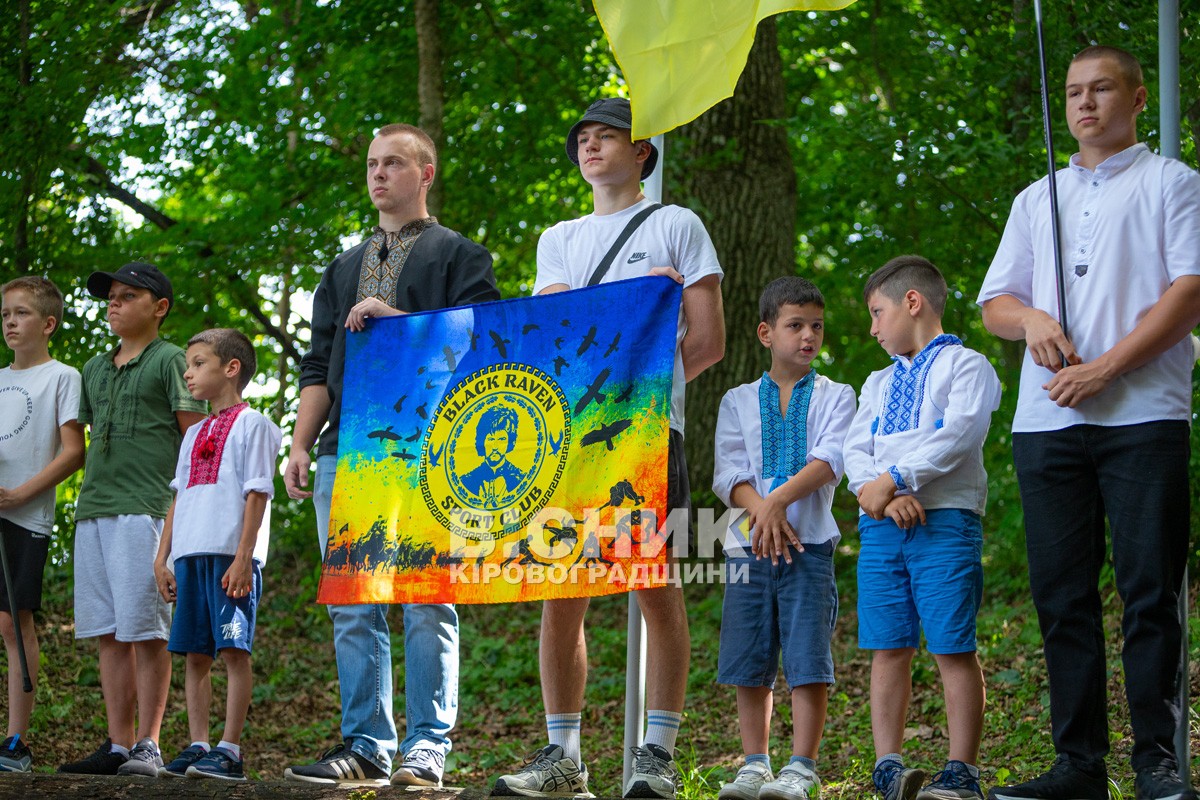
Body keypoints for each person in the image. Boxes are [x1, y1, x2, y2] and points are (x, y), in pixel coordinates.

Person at [979, 46, 1200, 800]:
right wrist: (1034, 315)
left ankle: (1157, 763)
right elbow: (995, 304)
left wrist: (1107, 368)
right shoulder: (1035, 196)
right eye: (1074, 91)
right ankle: (1079, 766)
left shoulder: (1172, 182)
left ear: (1137, 99)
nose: (1084, 103)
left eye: (1101, 88)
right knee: (1062, 596)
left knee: (1150, 592)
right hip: (1047, 425)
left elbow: (1189, 292)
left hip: (1145, 414)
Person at [491, 96, 725, 800]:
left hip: (651, 433)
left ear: (642, 150)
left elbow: (709, 341)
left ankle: (657, 754)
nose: (590, 147)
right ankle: (564, 755)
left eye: (607, 136)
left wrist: (642, 388)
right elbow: (560, 335)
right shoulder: (558, 238)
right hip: (570, 437)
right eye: (582, 138)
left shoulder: (678, 224)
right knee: (563, 589)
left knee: (656, 583)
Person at [283, 123, 499, 788]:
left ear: (426, 174)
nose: (379, 174)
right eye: (373, 163)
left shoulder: (459, 256)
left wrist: (400, 319)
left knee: (427, 596)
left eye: (395, 163)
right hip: (344, 449)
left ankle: (428, 745)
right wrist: (298, 442)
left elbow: (486, 341)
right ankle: (367, 745)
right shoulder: (342, 267)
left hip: (434, 450)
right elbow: (319, 365)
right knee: (354, 602)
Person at [843, 256, 1001, 800]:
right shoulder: (878, 380)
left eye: (876, 312)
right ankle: (889, 767)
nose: (872, 327)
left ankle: (962, 772)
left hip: (946, 521)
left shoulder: (966, 365)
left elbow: (959, 433)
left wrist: (897, 477)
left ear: (912, 303)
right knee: (889, 645)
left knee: (952, 645)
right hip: (882, 526)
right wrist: (883, 496)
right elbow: (853, 449)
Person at [58, 262, 208, 776]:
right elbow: (79, 442)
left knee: (146, 629)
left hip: (146, 509)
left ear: (159, 307)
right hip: (94, 509)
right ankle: (118, 743)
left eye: (127, 296)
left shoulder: (172, 361)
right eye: (111, 297)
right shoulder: (94, 368)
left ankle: (149, 743)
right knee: (107, 631)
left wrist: (183, 519)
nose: (113, 303)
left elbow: (195, 442)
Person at [712, 277, 855, 800]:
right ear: (766, 332)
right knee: (749, 654)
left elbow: (830, 459)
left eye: (816, 326)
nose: (808, 336)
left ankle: (801, 766)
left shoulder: (838, 395)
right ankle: (754, 764)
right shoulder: (737, 400)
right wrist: (764, 509)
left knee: (806, 654)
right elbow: (727, 473)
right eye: (795, 325)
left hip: (809, 541)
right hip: (745, 545)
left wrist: (777, 502)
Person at [152, 328, 282, 780]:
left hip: (231, 558)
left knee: (233, 650)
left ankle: (230, 749)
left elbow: (258, 493)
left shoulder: (256, 425)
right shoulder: (193, 435)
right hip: (189, 556)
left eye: (198, 363)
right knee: (194, 654)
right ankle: (198, 743)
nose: (188, 372)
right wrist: (161, 558)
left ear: (231, 368)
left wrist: (244, 556)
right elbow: (178, 498)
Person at [0, 277, 85, 772]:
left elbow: (74, 452)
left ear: (48, 323)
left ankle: (16, 742)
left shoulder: (62, 376)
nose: (10, 322)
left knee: (13, 622)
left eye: (22, 313)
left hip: (26, 515)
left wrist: (17, 495)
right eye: (5, 314)